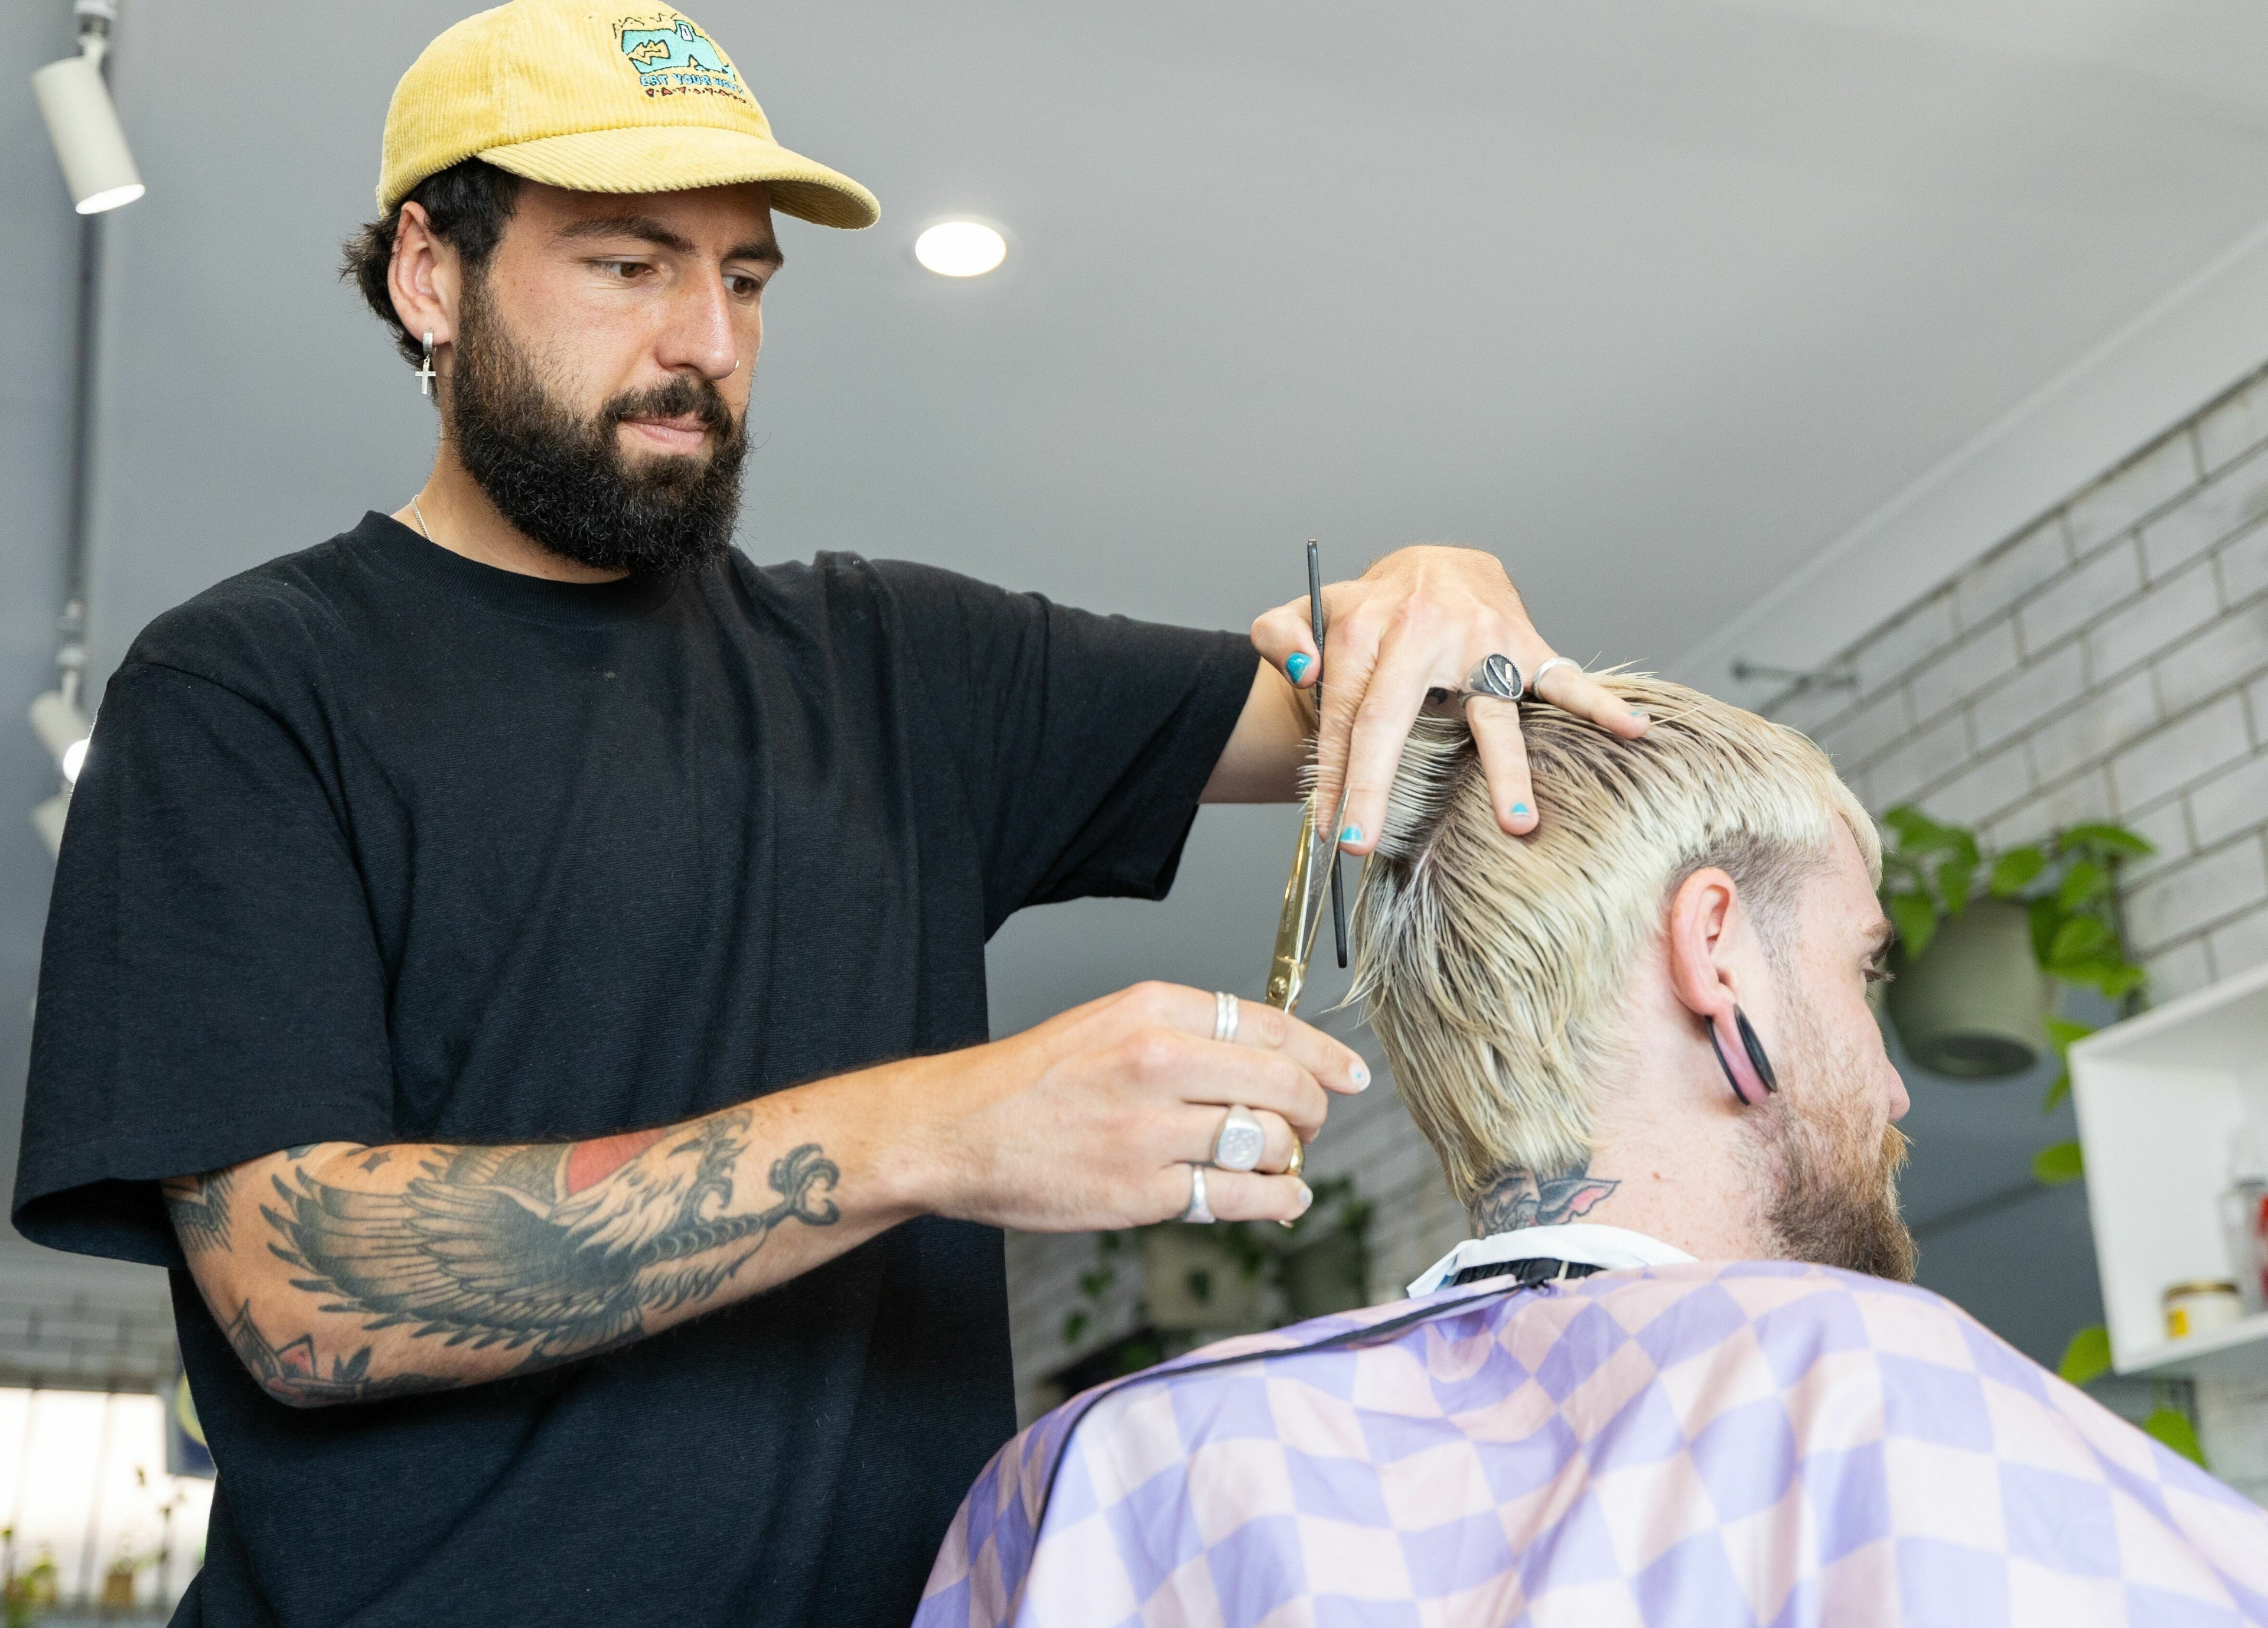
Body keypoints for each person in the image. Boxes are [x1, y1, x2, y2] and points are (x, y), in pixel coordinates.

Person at [8, 4, 1646, 1625]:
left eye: (742, 279)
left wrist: (1439, 599)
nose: (707, 344)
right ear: (430, 272)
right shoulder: (247, 689)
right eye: (627, 265)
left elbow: (1372, 700)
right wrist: (949, 1126)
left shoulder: (898, 668)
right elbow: (301, 1291)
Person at [915, 677, 2268, 1628]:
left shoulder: (1099, 1474)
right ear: (1715, 948)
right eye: (1863, 972)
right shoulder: (1866, 1386)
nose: (1898, 1089)